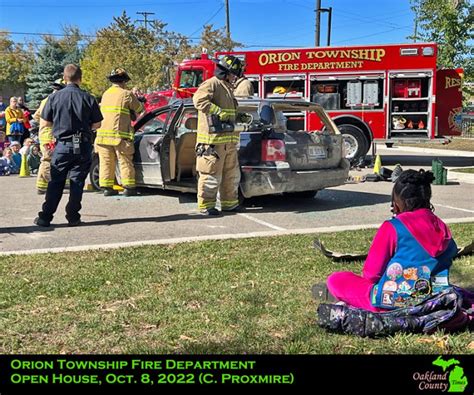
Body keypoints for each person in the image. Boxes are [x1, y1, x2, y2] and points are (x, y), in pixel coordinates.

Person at [314, 169, 458, 312]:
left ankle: (348, 301)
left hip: (390, 303)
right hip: (435, 298)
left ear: (396, 202)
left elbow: (371, 274)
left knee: (336, 279)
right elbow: (450, 252)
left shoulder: (392, 227)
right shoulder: (441, 227)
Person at [34, 64, 103, 227]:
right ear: (80, 78)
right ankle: (73, 217)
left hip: (62, 146)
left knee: (55, 182)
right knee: (77, 182)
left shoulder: (53, 98)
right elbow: (98, 124)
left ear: (64, 78)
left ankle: (45, 217)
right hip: (83, 145)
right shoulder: (88, 97)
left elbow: (45, 122)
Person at [192, 55, 244, 215]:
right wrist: (218, 112)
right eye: (233, 74)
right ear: (226, 72)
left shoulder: (227, 89)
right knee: (210, 175)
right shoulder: (212, 84)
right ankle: (206, 206)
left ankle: (229, 204)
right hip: (211, 143)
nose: (234, 77)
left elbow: (230, 114)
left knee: (231, 175)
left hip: (229, 142)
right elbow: (198, 101)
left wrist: (243, 118)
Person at [95, 68, 144, 197]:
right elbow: (139, 108)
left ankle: (107, 188)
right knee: (125, 161)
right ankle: (129, 187)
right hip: (120, 137)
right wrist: (140, 100)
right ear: (123, 81)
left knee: (106, 162)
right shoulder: (126, 94)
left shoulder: (106, 94)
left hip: (102, 137)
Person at [33, 79, 65, 194]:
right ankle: (52, 184)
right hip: (49, 136)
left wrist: (42, 124)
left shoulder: (45, 100)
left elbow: (36, 116)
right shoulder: (55, 101)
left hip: (45, 134)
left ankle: (41, 186)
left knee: (47, 159)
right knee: (47, 160)